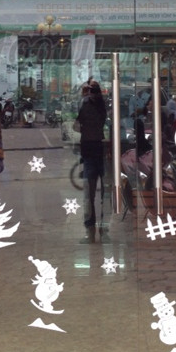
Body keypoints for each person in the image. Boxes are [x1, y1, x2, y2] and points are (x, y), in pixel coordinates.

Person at [75, 79, 107, 244]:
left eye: (94, 90)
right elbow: (76, 123)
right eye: (90, 90)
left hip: (95, 152)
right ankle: (97, 229)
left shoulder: (95, 105)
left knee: (94, 195)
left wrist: (84, 97)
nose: (92, 93)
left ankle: (96, 229)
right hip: (94, 153)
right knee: (93, 195)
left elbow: (76, 124)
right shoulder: (95, 105)